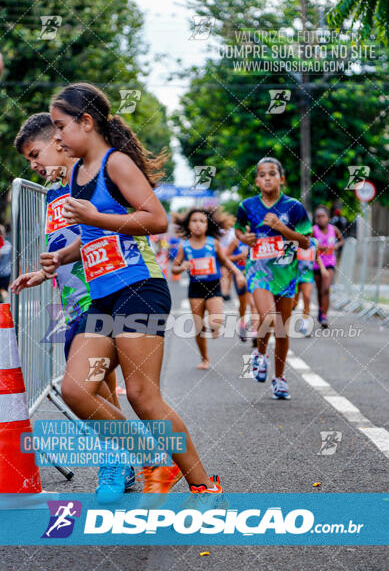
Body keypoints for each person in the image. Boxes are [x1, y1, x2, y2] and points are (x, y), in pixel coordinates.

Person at [40, 82, 223, 500]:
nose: (56, 137)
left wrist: (97, 218)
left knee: (143, 397)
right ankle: (149, 458)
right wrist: (61, 257)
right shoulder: (74, 173)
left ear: (86, 122)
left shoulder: (115, 164)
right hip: (103, 295)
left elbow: (156, 220)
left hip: (140, 287)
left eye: (60, 126)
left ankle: (204, 486)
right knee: (75, 389)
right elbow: (91, 236)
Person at [11, 112, 135, 493]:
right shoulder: (51, 196)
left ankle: (121, 460)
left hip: (106, 299)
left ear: (59, 141)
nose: (34, 165)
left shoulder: (90, 182)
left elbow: (109, 235)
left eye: (36, 154)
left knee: (81, 390)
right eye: (28, 161)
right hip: (73, 306)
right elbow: (60, 249)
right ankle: (125, 460)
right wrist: (43, 273)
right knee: (100, 391)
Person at [235, 157, 311, 399]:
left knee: (282, 331)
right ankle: (259, 354)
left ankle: (279, 379)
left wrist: (282, 228)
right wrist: (243, 238)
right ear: (257, 181)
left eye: (272, 173)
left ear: (281, 178)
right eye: (262, 174)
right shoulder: (247, 206)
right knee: (268, 318)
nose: (267, 177)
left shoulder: (294, 207)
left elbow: (306, 241)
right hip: (259, 270)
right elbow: (239, 229)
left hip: (286, 272)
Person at [171, 208, 246, 369]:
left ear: (207, 225)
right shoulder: (184, 246)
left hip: (213, 286)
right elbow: (174, 269)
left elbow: (226, 262)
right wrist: (182, 267)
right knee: (198, 328)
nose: (198, 224)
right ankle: (205, 358)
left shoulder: (214, 243)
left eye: (202, 221)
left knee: (216, 321)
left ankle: (214, 326)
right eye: (194, 221)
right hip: (195, 288)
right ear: (188, 225)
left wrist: (238, 274)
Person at [313, 205, 344, 329]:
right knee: (320, 290)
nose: (320, 219)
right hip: (316, 264)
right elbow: (307, 243)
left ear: (328, 217)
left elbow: (341, 240)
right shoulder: (313, 230)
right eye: (318, 217)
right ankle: (321, 309)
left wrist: (336, 246)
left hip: (330, 263)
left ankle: (324, 316)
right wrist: (318, 247)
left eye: (323, 216)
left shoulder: (334, 229)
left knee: (326, 289)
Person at [225, 235, 258, 342]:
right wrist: (240, 256)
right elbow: (226, 258)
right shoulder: (236, 241)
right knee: (243, 304)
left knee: (253, 304)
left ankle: (255, 333)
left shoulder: (258, 239)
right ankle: (242, 325)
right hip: (240, 275)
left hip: (255, 275)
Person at [293, 237, 328, 336]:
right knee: (293, 303)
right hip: (294, 275)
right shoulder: (294, 240)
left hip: (307, 276)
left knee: (307, 298)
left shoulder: (314, 242)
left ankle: (305, 325)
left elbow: (317, 257)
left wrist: (323, 268)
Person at [218, 223, 235, 300]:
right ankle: (224, 293)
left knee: (230, 276)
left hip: (231, 256)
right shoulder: (219, 231)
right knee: (223, 274)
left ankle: (227, 291)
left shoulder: (233, 232)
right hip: (222, 255)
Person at [0, 225, 11, 303]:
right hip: (7, 272)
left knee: (3, 291)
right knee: (4, 291)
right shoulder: (8, 245)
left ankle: (5, 306)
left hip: (2, 273)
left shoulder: (5, 245)